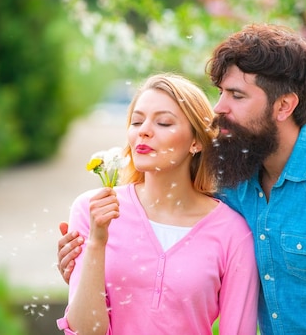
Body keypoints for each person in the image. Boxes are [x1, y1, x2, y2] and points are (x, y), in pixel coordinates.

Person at [58, 25, 306, 335]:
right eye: (222, 92)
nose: (218, 108)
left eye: (237, 95)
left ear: (284, 106)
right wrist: (88, 267)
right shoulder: (235, 172)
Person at [56, 73, 259, 335]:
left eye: (163, 123)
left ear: (196, 141)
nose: (144, 131)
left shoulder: (233, 233)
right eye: (137, 121)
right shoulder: (91, 210)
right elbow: (86, 331)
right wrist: (96, 242)